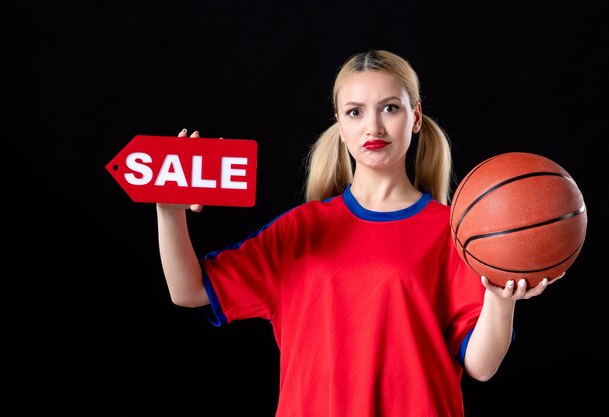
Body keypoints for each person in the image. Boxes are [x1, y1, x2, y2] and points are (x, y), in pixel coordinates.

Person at [155, 49, 561, 416]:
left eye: (389, 108)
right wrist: (169, 211)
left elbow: (481, 366)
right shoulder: (301, 229)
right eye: (355, 112)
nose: (374, 127)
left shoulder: (457, 232)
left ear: (415, 117)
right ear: (339, 124)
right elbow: (188, 290)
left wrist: (500, 300)